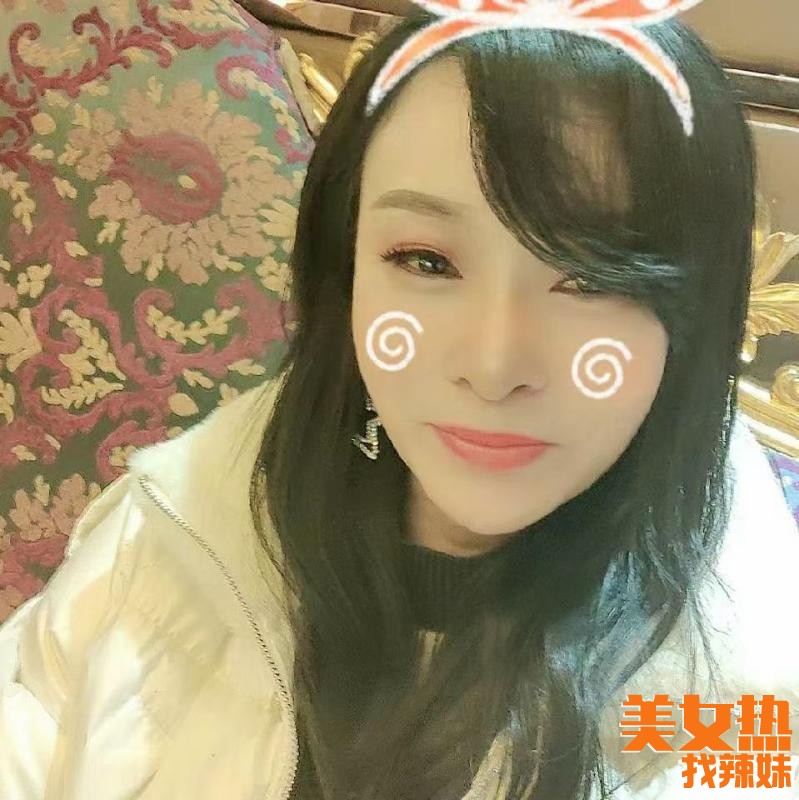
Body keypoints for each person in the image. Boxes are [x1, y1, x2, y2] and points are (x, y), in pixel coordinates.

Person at [1, 6, 798, 800]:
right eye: (425, 261)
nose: (493, 368)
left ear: (694, 312)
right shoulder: (175, 532)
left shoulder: (744, 695)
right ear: (344, 265)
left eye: (592, 277)